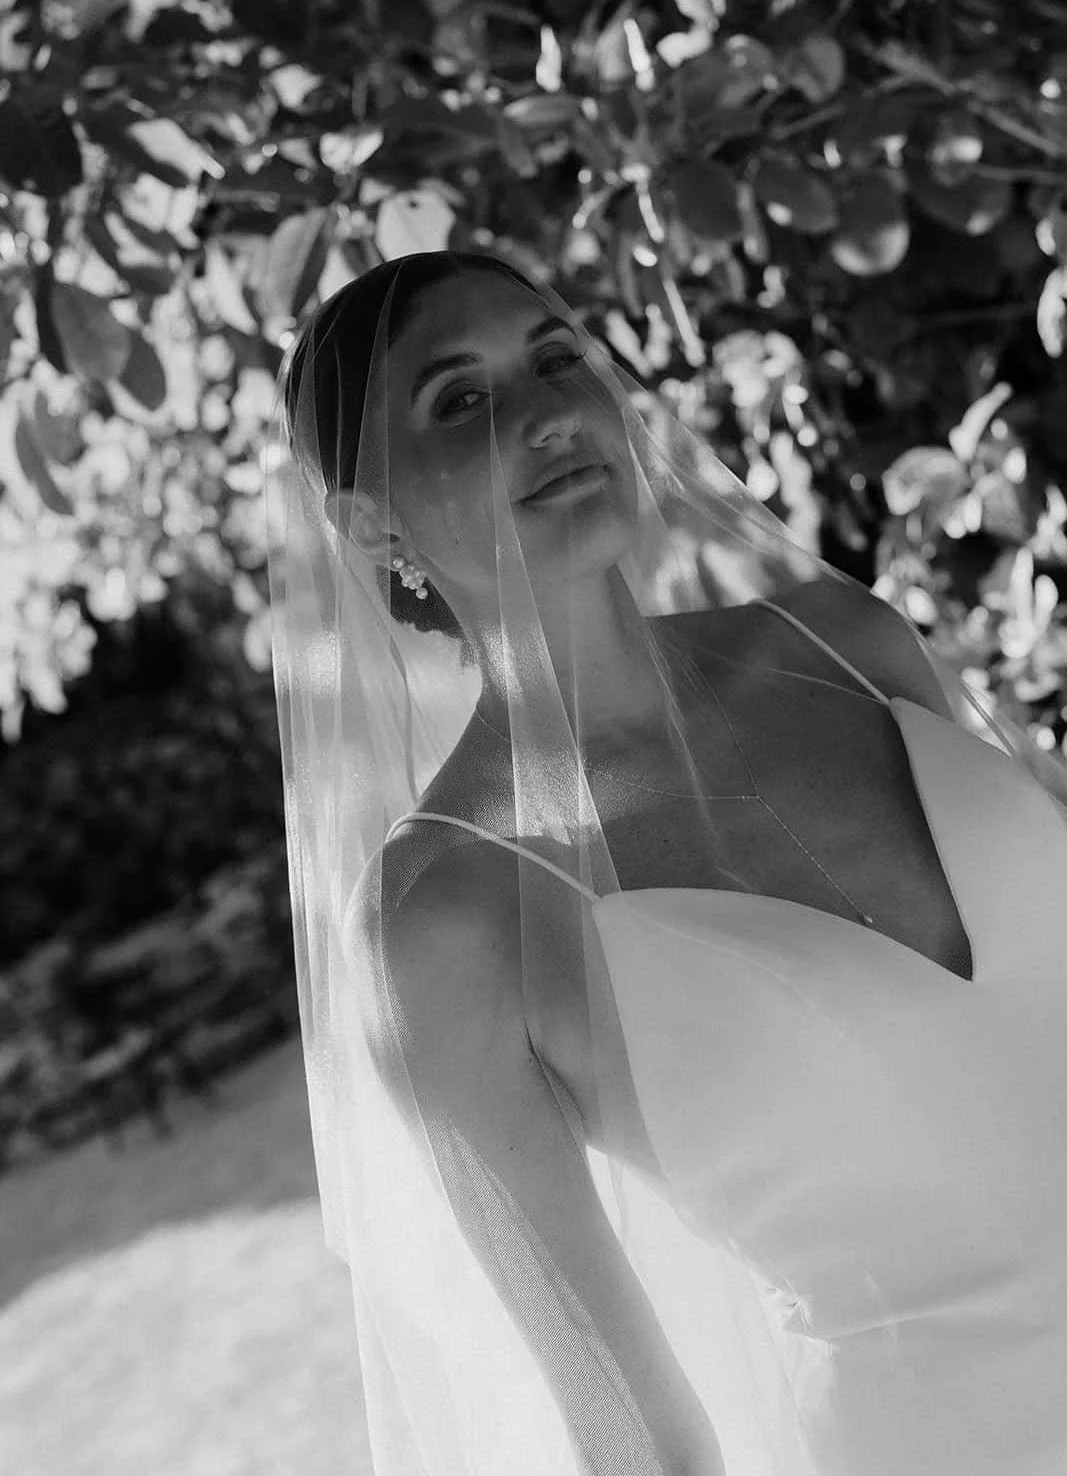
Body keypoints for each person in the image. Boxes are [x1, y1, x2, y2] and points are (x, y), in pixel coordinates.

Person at [266, 249, 1067, 1476]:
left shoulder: (844, 644)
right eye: (459, 399)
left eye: (553, 358)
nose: (543, 414)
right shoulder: (447, 916)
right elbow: (627, 1416)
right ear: (373, 522)